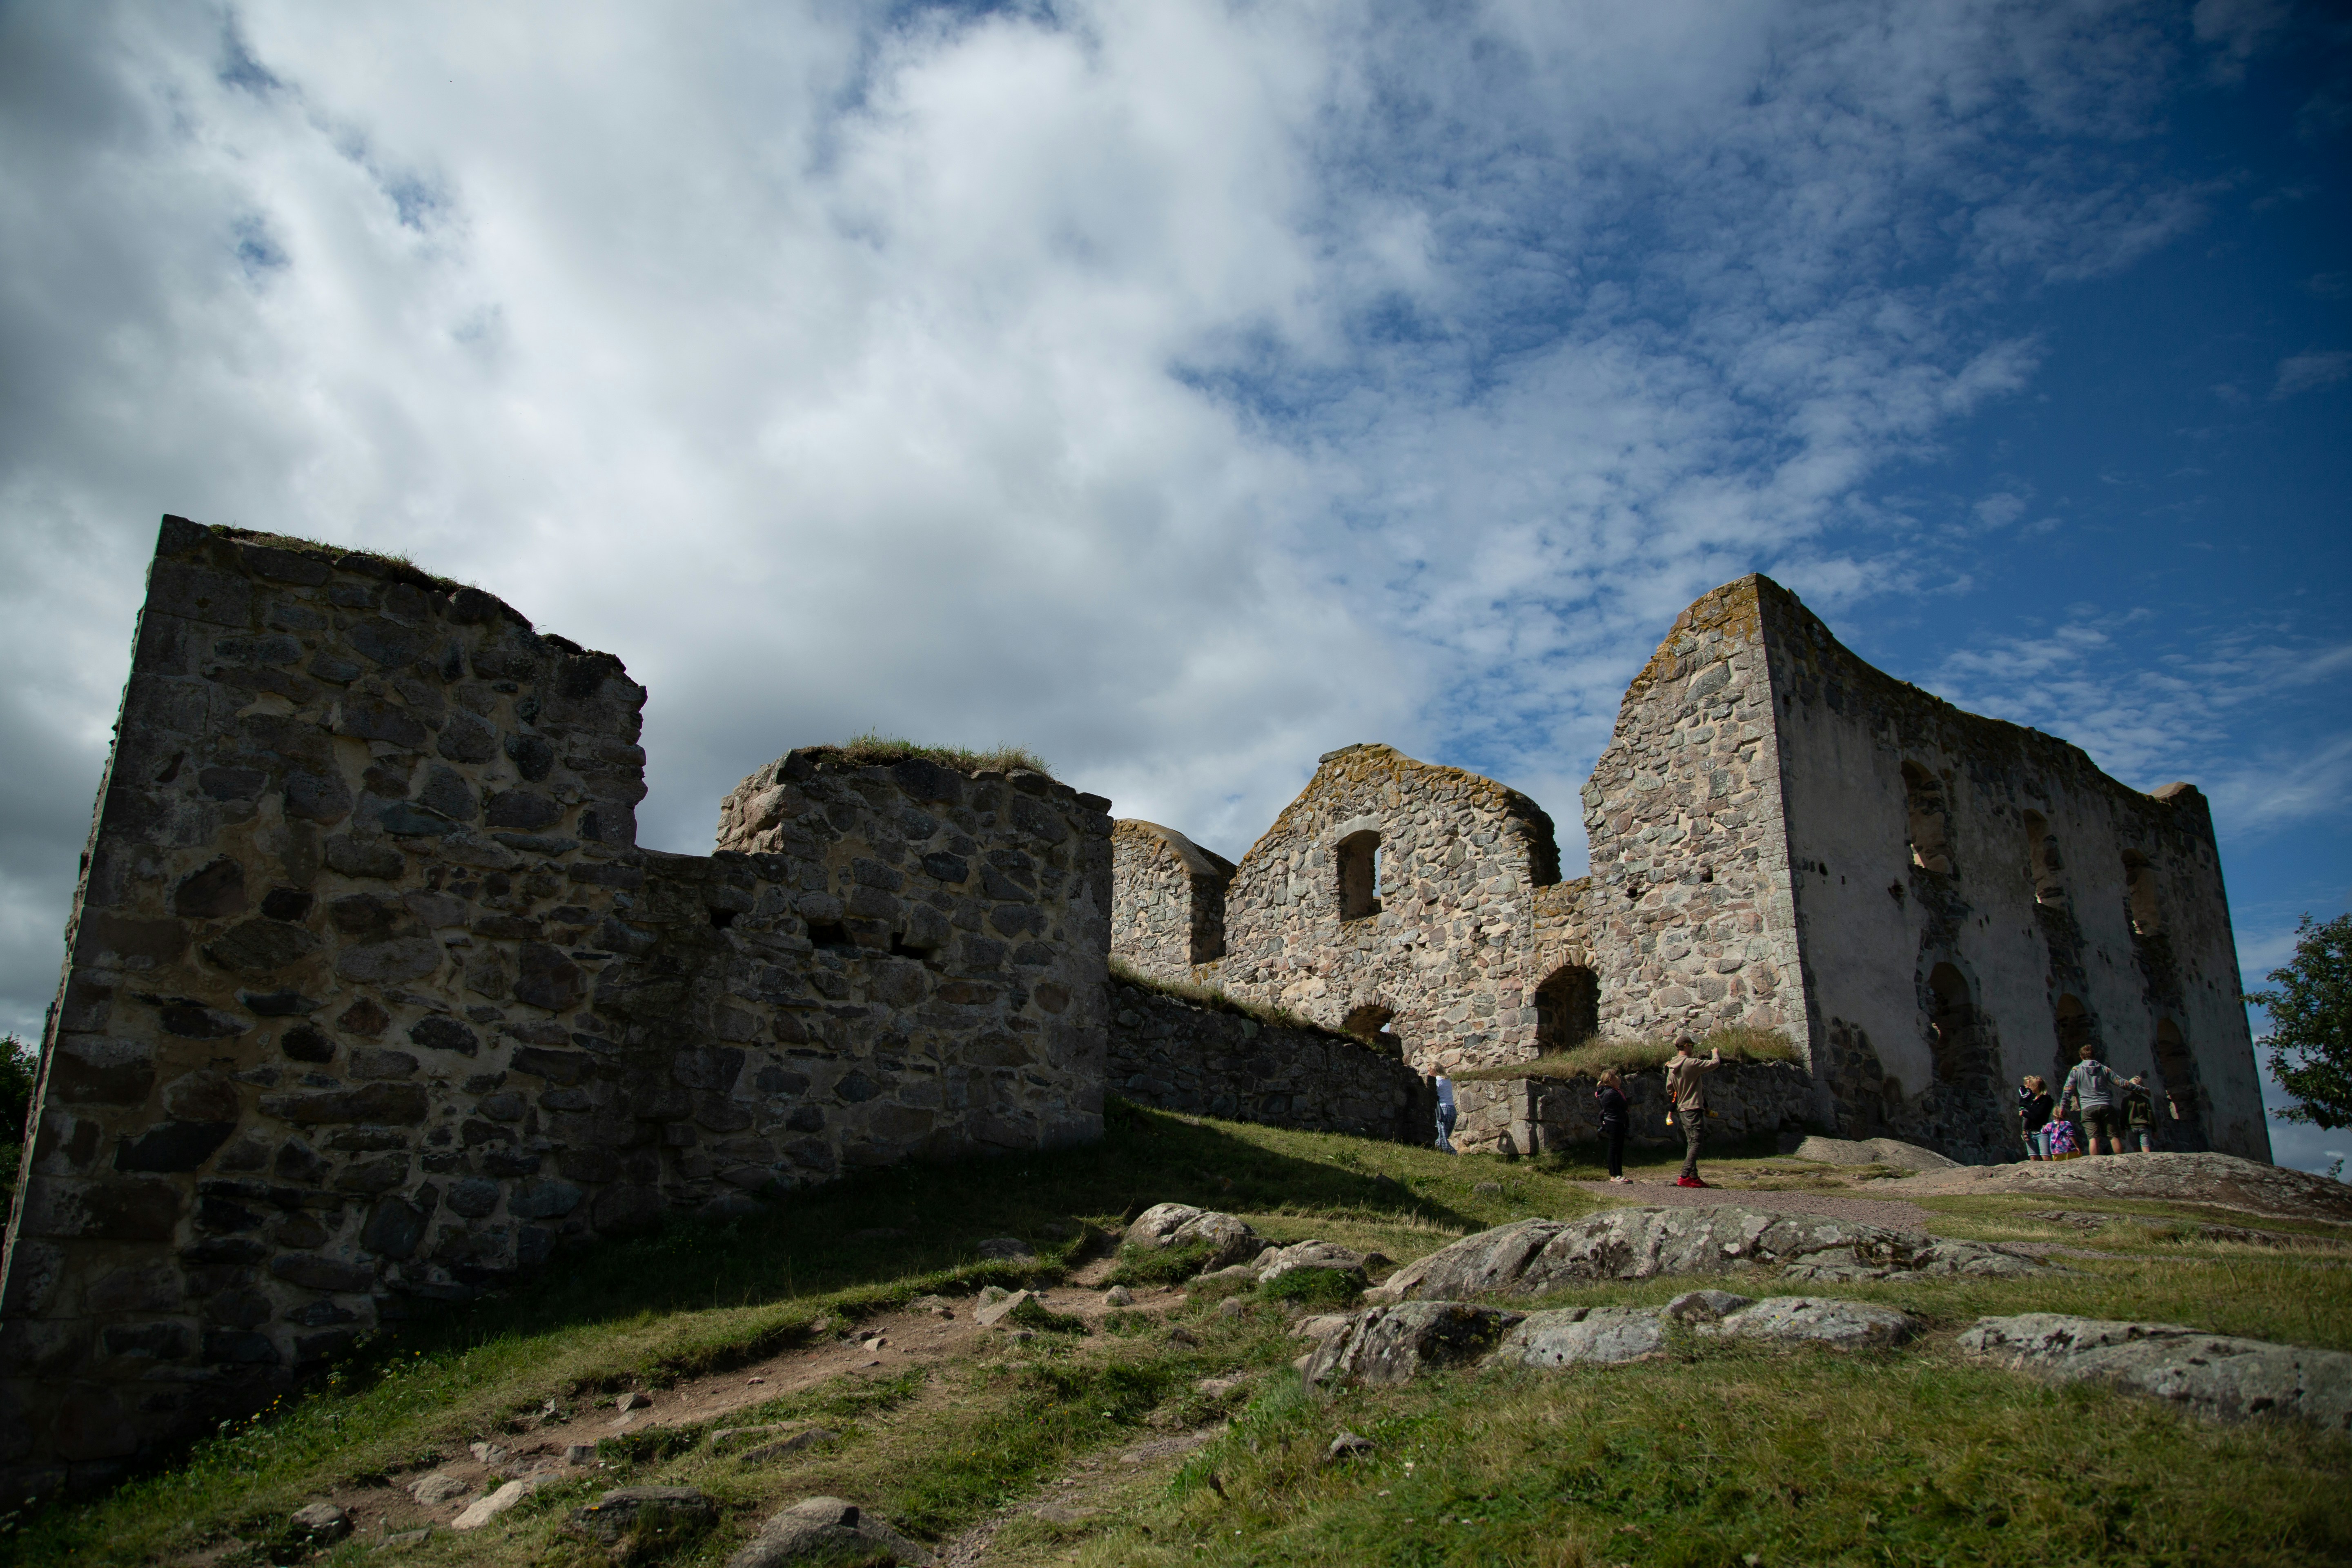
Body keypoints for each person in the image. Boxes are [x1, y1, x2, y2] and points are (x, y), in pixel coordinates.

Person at [1664, 1036, 1721, 1188]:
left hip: (1683, 1109)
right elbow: (1715, 1064)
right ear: (1687, 1047)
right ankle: (1685, 1176)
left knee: (1691, 1142)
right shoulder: (1691, 1063)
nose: (1693, 1049)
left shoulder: (1672, 1066)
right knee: (1697, 1143)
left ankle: (1694, 1177)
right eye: (1692, 1046)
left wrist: (1681, 1087)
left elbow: (1670, 1089)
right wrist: (1715, 1053)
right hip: (1694, 1107)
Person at [2060, 1043, 2124, 1156]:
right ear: (2094, 1056)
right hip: (2106, 1105)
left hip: (2088, 1107)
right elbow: (2121, 1083)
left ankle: (2095, 1164)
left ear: (2081, 1057)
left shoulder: (2077, 1070)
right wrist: (2140, 1088)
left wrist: (2063, 1106)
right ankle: (2122, 1161)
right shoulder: (2103, 1069)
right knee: (2113, 1136)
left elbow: (2068, 1089)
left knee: (2093, 1138)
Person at [1594, 1068, 1631, 1183]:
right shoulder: (1611, 1093)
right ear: (1610, 1080)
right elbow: (1625, 1105)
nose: (1618, 1080)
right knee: (1615, 1148)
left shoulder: (1607, 1091)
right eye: (1615, 1077)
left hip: (1615, 1121)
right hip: (1614, 1122)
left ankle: (1619, 1174)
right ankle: (1614, 1175)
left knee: (1618, 1148)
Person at [2016, 1075, 2054, 1160]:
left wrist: (2024, 1113)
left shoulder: (2046, 1100)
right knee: (2033, 1157)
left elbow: (2038, 1116)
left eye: (2032, 1085)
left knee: (2046, 1157)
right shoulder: (2032, 1098)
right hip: (2030, 1132)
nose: (2029, 1088)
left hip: (2041, 1131)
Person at [2121, 1074, 2156, 1154]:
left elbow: (2123, 1115)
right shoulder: (2145, 1100)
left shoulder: (2126, 1100)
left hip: (2132, 1128)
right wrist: (2154, 1130)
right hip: (2144, 1127)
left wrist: (2122, 1128)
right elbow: (2151, 1116)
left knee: (2136, 1150)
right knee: (2146, 1148)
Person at [1433, 1075, 1457, 1153]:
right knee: (1444, 1136)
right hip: (1452, 1108)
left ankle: (1452, 1153)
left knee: (1442, 1136)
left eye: (1430, 1071)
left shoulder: (1437, 1080)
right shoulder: (1447, 1079)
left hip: (1443, 1109)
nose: (1428, 1073)